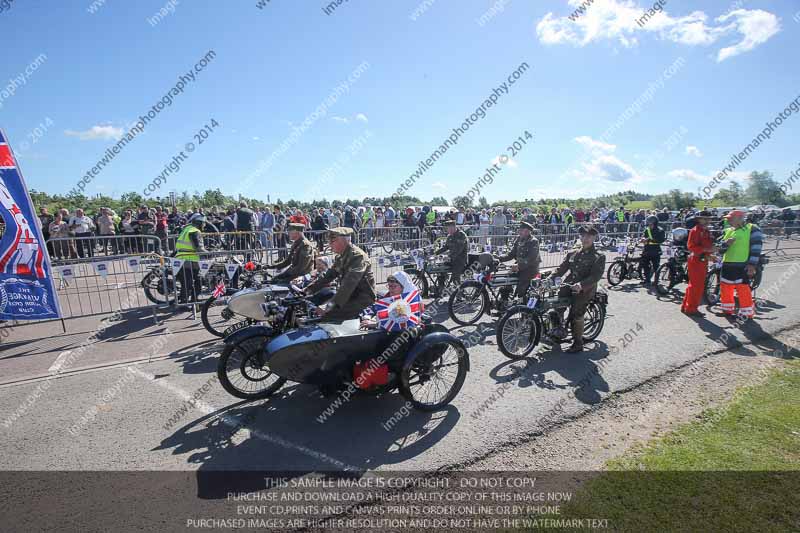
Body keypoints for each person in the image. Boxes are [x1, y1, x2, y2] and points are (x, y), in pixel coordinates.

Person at [545, 225, 605, 353]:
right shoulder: (573, 253)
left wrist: (581, 285)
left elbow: (595, 276)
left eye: (589, 236)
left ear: (594, 238)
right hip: (569, 284)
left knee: (577, 313)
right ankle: (558, 329)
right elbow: (561, 269)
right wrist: (548, 279)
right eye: (583, 236)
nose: (585, 239)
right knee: (556, 304)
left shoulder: (598, 256)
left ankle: (578, 343)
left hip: (585, 289)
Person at [305, 227, 376, 322]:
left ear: (343, 241)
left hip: (361, 299)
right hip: (348, 297)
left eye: (332, 241)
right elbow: (328, 275)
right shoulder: (341, 256)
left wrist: (330, 304)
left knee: (327, 316)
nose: (329, 244)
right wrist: (308, 290)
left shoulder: (358, 257)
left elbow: (349, 284)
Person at [717, 210, 763, 319]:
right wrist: (725, 244)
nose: (728, 220)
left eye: (730, 218)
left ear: (740, 218)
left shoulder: (753, 229)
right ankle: (727, 310)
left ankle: (747, 313)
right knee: (725, 288)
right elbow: (720, 249)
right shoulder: (728, 231)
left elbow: (756, 248)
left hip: (743, 265)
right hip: (727, 264)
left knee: (743, 289)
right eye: (727, 218)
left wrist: (752, 265)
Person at [680, 211, 714, 315]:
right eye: (704, 219)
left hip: (701, 260)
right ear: (699, 219)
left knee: (694, 285)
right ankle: (691, 309)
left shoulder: (705, 231)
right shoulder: (695, 231)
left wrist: (709, 254)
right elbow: (691, 247)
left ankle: (686, 306)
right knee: (697, 286)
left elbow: (706, 245)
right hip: (696, 260)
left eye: (709, 219)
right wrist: (707, 250)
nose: (707, 221)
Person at [498, 221, 541, 297]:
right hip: (519, 267)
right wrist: (498, 259)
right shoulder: (519, 239)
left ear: (527, 231)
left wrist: (519, 266)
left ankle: (522, 302)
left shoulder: (533, 241)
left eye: (521, 230)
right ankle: (505, 299)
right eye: (519, 230)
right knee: (506, 281)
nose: (519, 232)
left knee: (521, 289)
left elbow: (531, 258)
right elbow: (511, 254)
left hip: (530, 269)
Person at [175, 214, 207, 304]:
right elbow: (198, 247)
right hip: (189, 260)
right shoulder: (194, 231)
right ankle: (192, 301)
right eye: (203, 223)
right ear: (199, 223)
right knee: (197, 281)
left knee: (186, 283)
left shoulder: (186, 229)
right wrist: (211, 254)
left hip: (181, 258)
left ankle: (186, 302)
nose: (204, 225)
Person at [434, 220, 468, 285]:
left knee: (455, 278)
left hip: (460, 260)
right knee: (440, 270)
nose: (447, 230)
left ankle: (459, 290)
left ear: (453, 227)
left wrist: (448, 257)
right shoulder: (449, 236)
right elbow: (445, 247)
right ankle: (441, 286)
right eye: (447, 228)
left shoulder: (461, 235)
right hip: (452, 260)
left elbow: (458, 250)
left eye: (448, 228)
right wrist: (435, 253)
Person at [639, 215, 665, 286]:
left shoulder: (660, 230)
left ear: (654, 223)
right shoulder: (647, 230)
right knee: (645, 265)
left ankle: (656, 280)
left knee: (656, 266)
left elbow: (661, 240)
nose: (649, 224)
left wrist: (650, 240)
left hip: (655, 250)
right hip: (647, 249)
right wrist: (642, 239)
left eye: (650, 223)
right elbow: (644, 236)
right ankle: (647, 280)